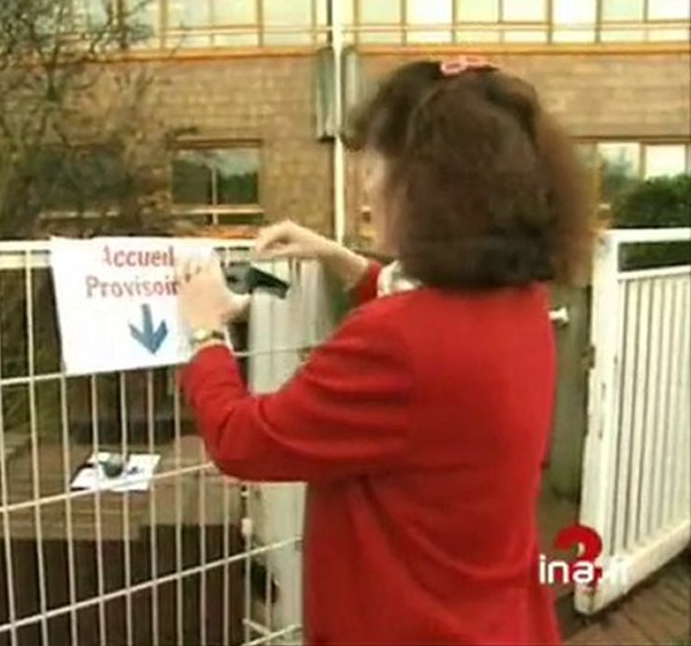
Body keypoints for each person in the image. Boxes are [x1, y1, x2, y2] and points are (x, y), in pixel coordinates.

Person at [174, 57, 595, 645]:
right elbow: (433, 335)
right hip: (500, 623)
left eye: (377, 164)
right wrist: (337, 256)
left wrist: (205, 333)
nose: (367, 183)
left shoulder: (396, 341)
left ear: (433, 190)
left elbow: (244, 439)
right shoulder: (521, 302)